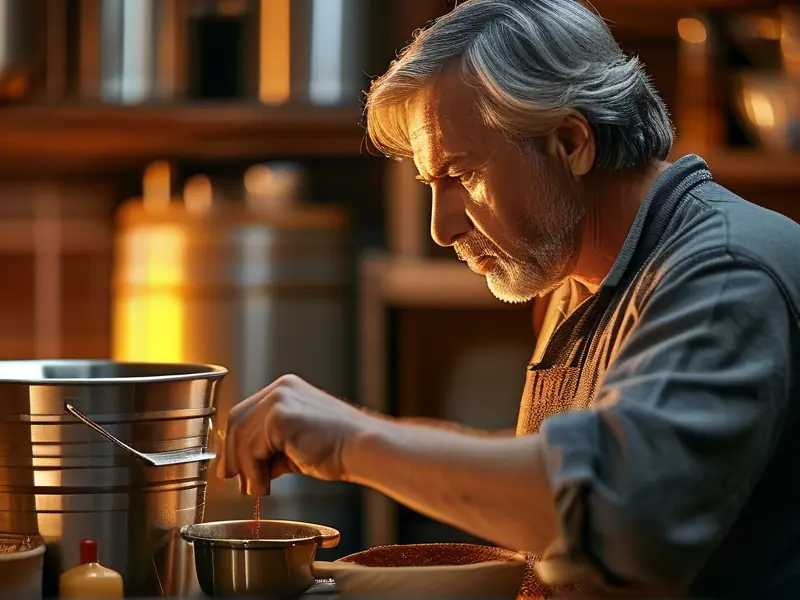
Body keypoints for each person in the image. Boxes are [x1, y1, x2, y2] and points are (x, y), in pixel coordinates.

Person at [218, 0, 800, 597]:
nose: (441, 228)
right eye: (430, 184)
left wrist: (348, 441)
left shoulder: (726, 273)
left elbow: (623, 517)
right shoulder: (577, 281)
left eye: (461, 175)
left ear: (571, 142)